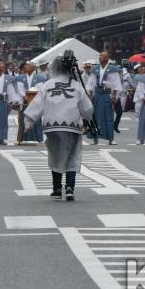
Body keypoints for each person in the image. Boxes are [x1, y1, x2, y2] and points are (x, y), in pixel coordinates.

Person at [23, 54, 94, 201]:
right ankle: (69, 188)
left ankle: (56, 189)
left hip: (52, 126)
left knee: (55, 155)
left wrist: (29, 122)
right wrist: (88, 118)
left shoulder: (48, 85)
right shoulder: (76, 85)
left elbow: (37, 105)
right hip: (72, 125)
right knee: (72, 155)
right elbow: (87, 109)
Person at [87, 52, 122, 145]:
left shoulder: (112, 69)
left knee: (109, 117)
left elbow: (116, 84)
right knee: (94, 116)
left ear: (107, 58)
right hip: (97, 95)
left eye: (102, 56)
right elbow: (91, 84)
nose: (100, 57)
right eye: (99, 56)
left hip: (107, 95)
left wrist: (114, 96)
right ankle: (95, 138)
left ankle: (111, 138)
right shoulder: (95, 69)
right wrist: (90, 96)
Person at [14, 62, 47, 143]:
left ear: (33, 68)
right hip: (25, 102)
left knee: (36, 119)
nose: (26, 66)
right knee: (22, 119)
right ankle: (23, 138)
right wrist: (24, 96)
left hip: (35, 101)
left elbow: (40, 89)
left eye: (28, 65)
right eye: (26, 65)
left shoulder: (40, 78)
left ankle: (37, 138)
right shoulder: (20, 78)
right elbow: (19, 89)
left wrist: (32, 97)